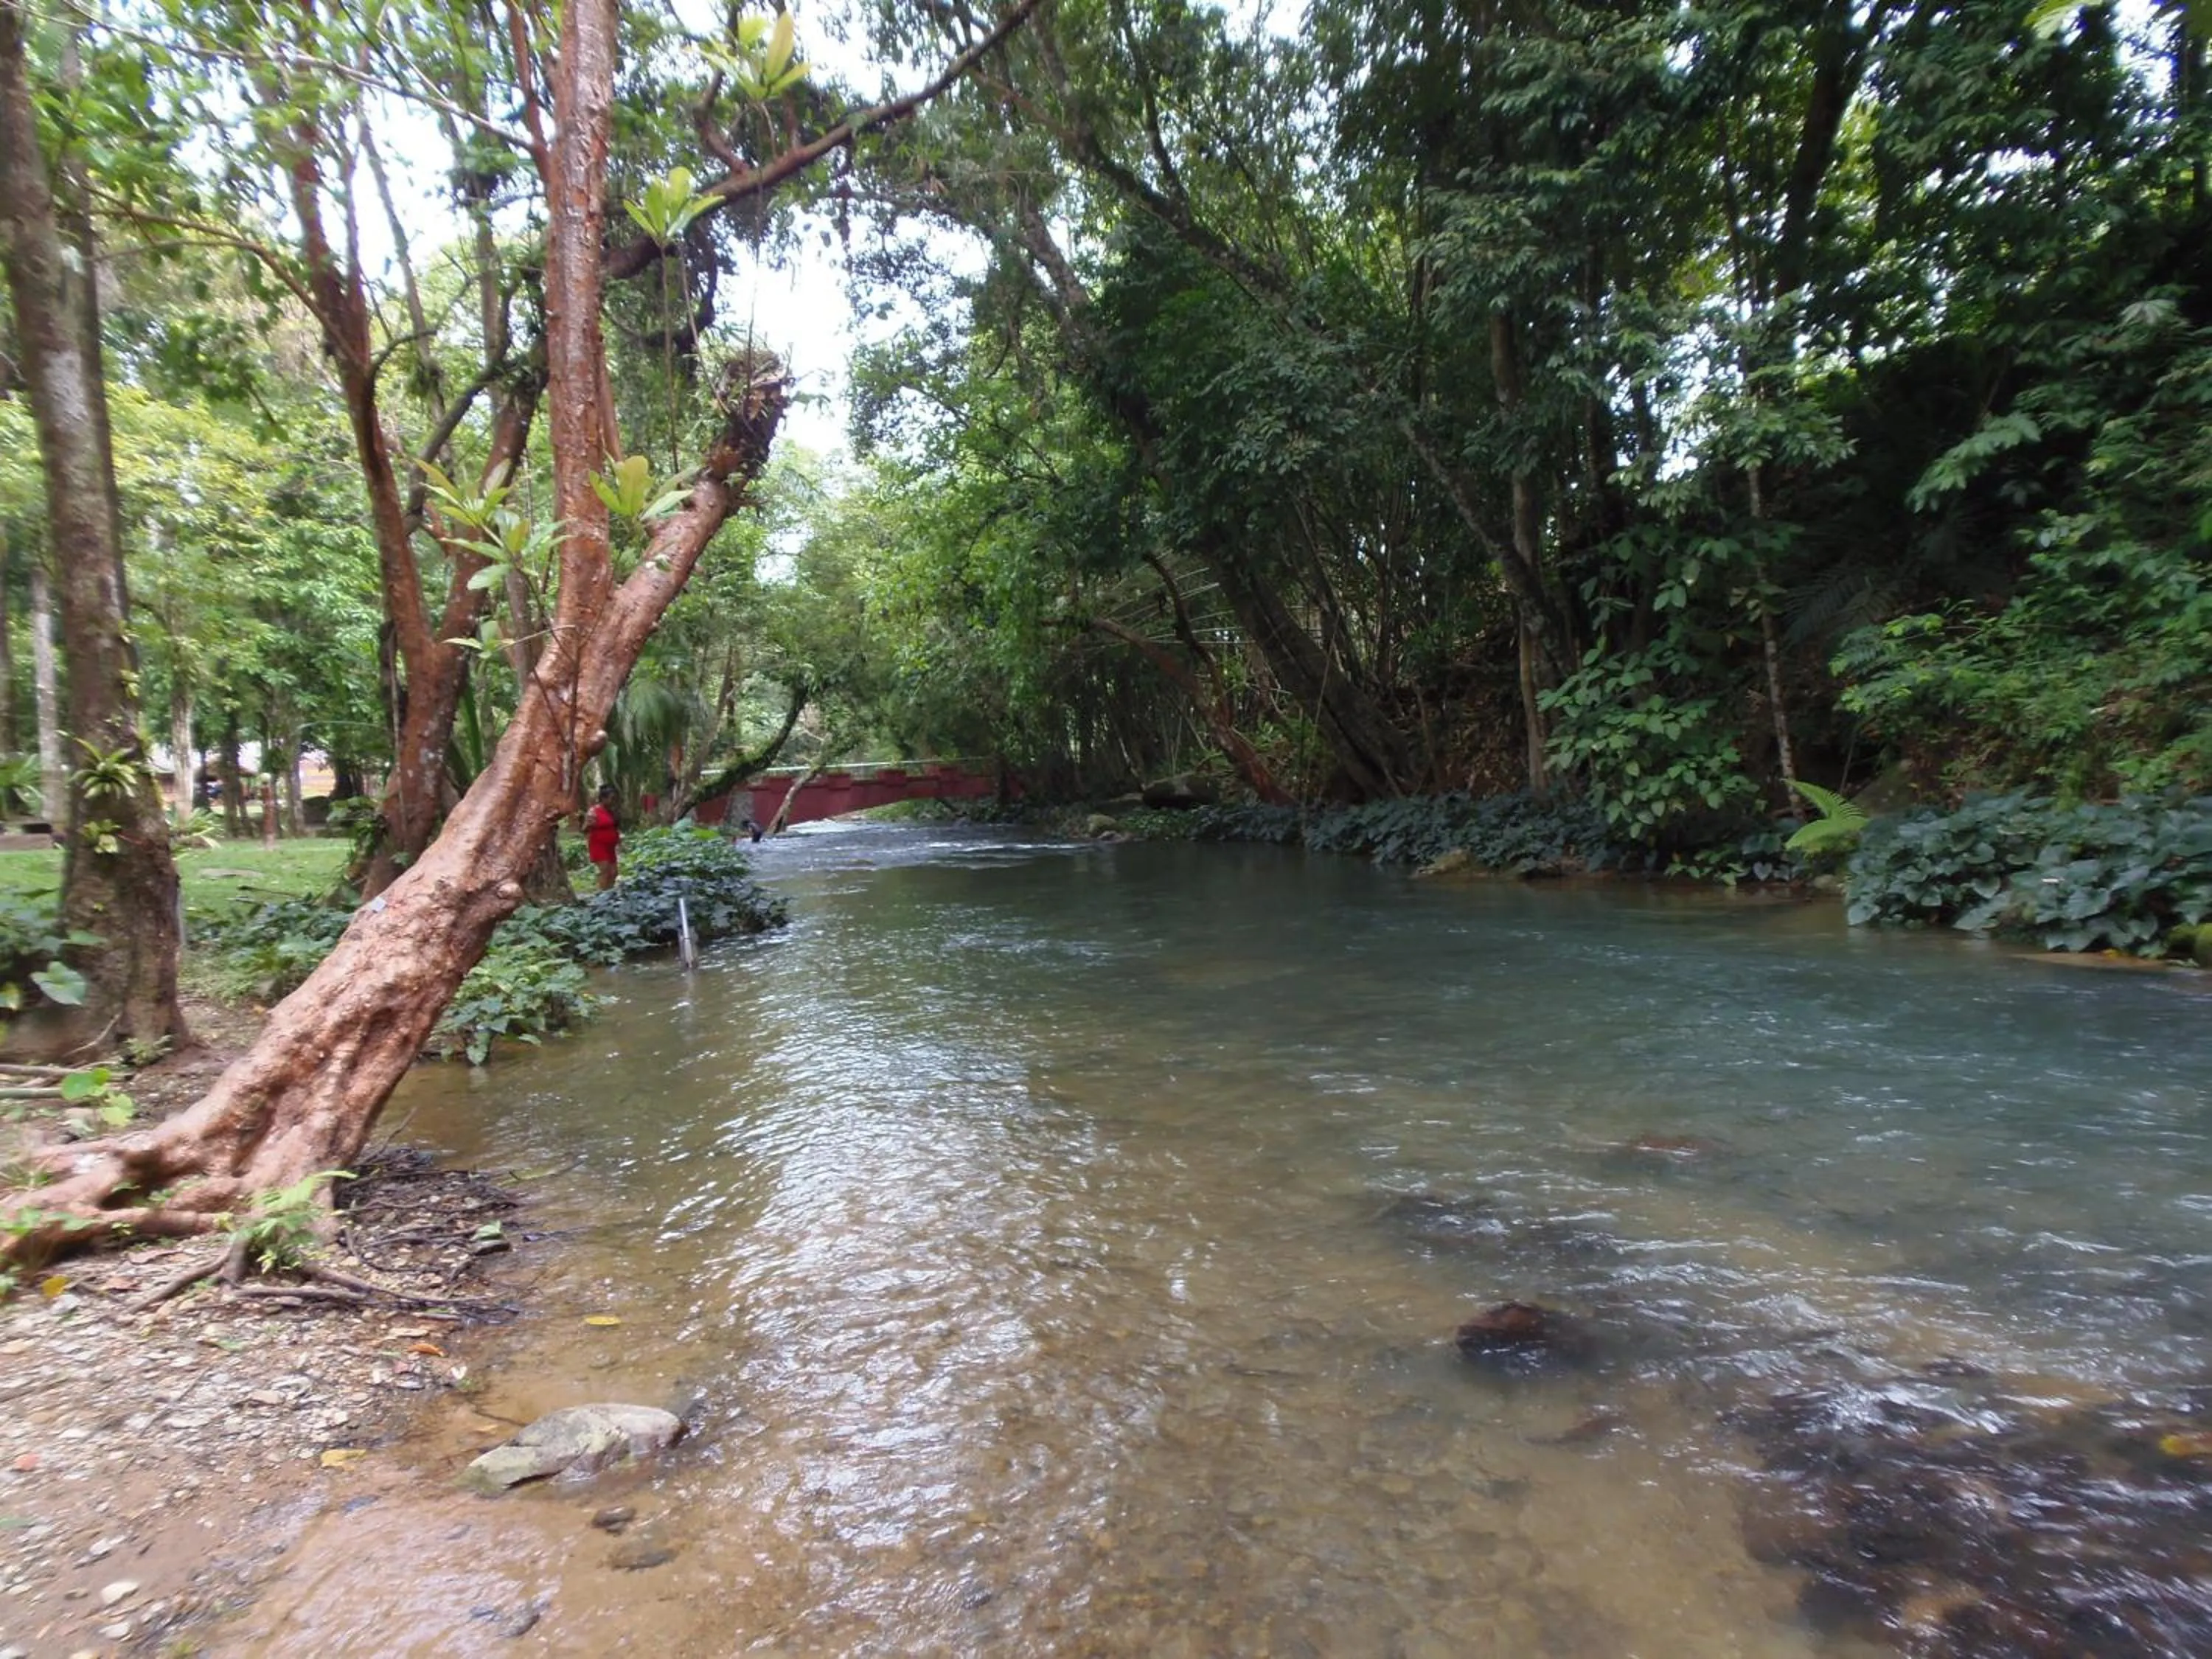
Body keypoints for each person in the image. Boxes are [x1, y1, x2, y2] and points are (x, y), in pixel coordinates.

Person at [585, 785, 622, 889]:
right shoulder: (594, 811)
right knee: (605, 869)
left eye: (614, 799)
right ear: (603, 799)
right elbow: (585, 828)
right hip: (598, 844)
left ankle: (610, 892)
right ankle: (603, 893)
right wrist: (589, 824)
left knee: (614, 872)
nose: (613, 801)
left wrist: (619, 840)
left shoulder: (612, 811)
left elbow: (615, 827)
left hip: (611, 846)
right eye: (611, 798)